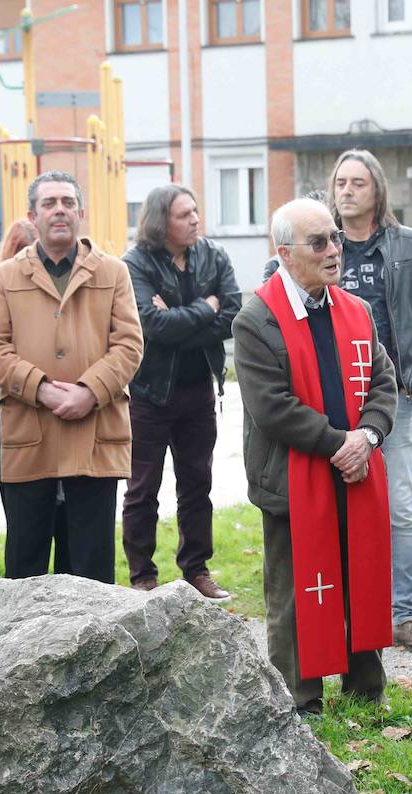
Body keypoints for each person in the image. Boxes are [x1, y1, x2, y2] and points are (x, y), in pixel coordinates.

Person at [233, 197, 397, 716]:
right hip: (290, 479)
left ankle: (365, 690)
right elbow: (272, 408)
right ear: (284, 252)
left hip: (354, 470)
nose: (334, 250)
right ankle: (298, 698)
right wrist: (339, 444)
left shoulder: (356, 310)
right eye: (320, 242)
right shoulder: (256, 319)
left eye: (337, 238)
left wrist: (366, 438)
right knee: (293, 593)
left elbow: (383, 383)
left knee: (359, 576)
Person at [0, 171, 143, 583]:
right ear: (32, 216)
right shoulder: (3, 278)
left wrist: (90, 391)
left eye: (68, 202)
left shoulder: (113, 272)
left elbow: (129, 344)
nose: (60, 210)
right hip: (29, 431)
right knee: (26, 560)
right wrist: (43, 390)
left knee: (91, 564)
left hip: (95, 430)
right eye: (49, 203)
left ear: (81, 213)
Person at [330, 149, 412, 656]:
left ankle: (404, 614)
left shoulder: (411, 246)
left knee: (399, 507)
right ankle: (336, 612)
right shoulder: (320, 241)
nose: (347, 191)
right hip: (330, 400)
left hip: (393, 399)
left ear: (377, 189)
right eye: (340, 182)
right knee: (331, 507)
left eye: (358, 182)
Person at [122, 185, 240, 600]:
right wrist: (203, 308)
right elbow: (151, 326)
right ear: (160, 222)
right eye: (183, 214)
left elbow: (233, 315)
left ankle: (196, 569)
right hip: (149, 392)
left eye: (195, 211)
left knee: (197, 484)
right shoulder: (135, 262)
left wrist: (179, 319)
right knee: (142, 489)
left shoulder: (213, 255)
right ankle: (142, 576)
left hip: (198, 391)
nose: (194, 220)